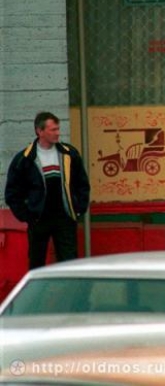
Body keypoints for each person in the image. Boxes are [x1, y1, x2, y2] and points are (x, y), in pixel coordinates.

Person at [4, 112, 91, 269]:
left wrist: (78, 209)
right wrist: (27, 216)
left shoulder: (69, 154)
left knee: (69, 261)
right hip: (38, 220)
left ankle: (69, 293)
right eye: (52, 130)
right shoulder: (25, 158)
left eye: (58, 129)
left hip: (65, 217)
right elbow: (12, 193)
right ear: (39, 131)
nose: (57, 133)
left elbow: (82, 184)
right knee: (37, 262)